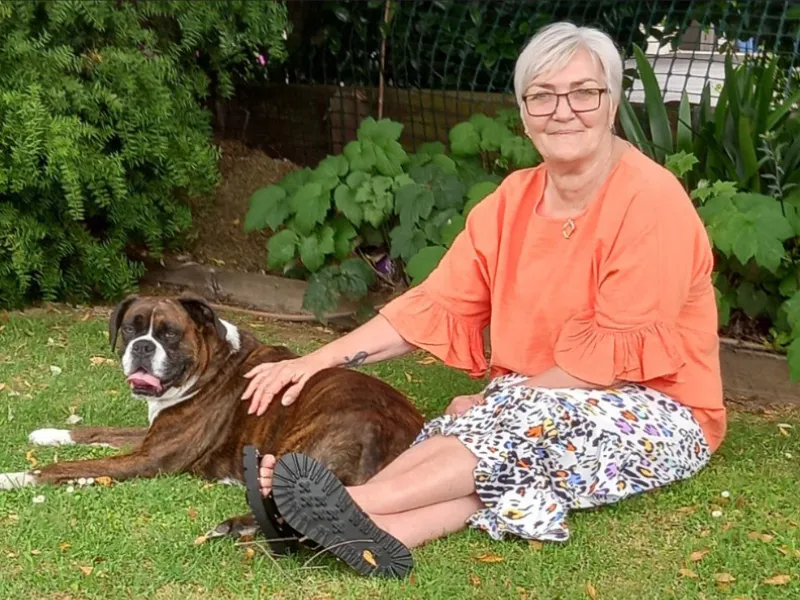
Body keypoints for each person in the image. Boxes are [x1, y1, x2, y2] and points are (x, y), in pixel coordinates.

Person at [240, 21, 726, 578]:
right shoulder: (511, 201)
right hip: (543, 397)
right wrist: (315, 359)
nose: (562, 110)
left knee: (506, 428)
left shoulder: (651, 200)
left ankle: (343, 507)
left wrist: (501, 400)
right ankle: (377, 532)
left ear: (611, 102)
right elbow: (434, 304)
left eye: (583, 92)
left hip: (661, 410)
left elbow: (608, 362)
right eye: (542, 96)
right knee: (490, 440)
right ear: (523, 113)